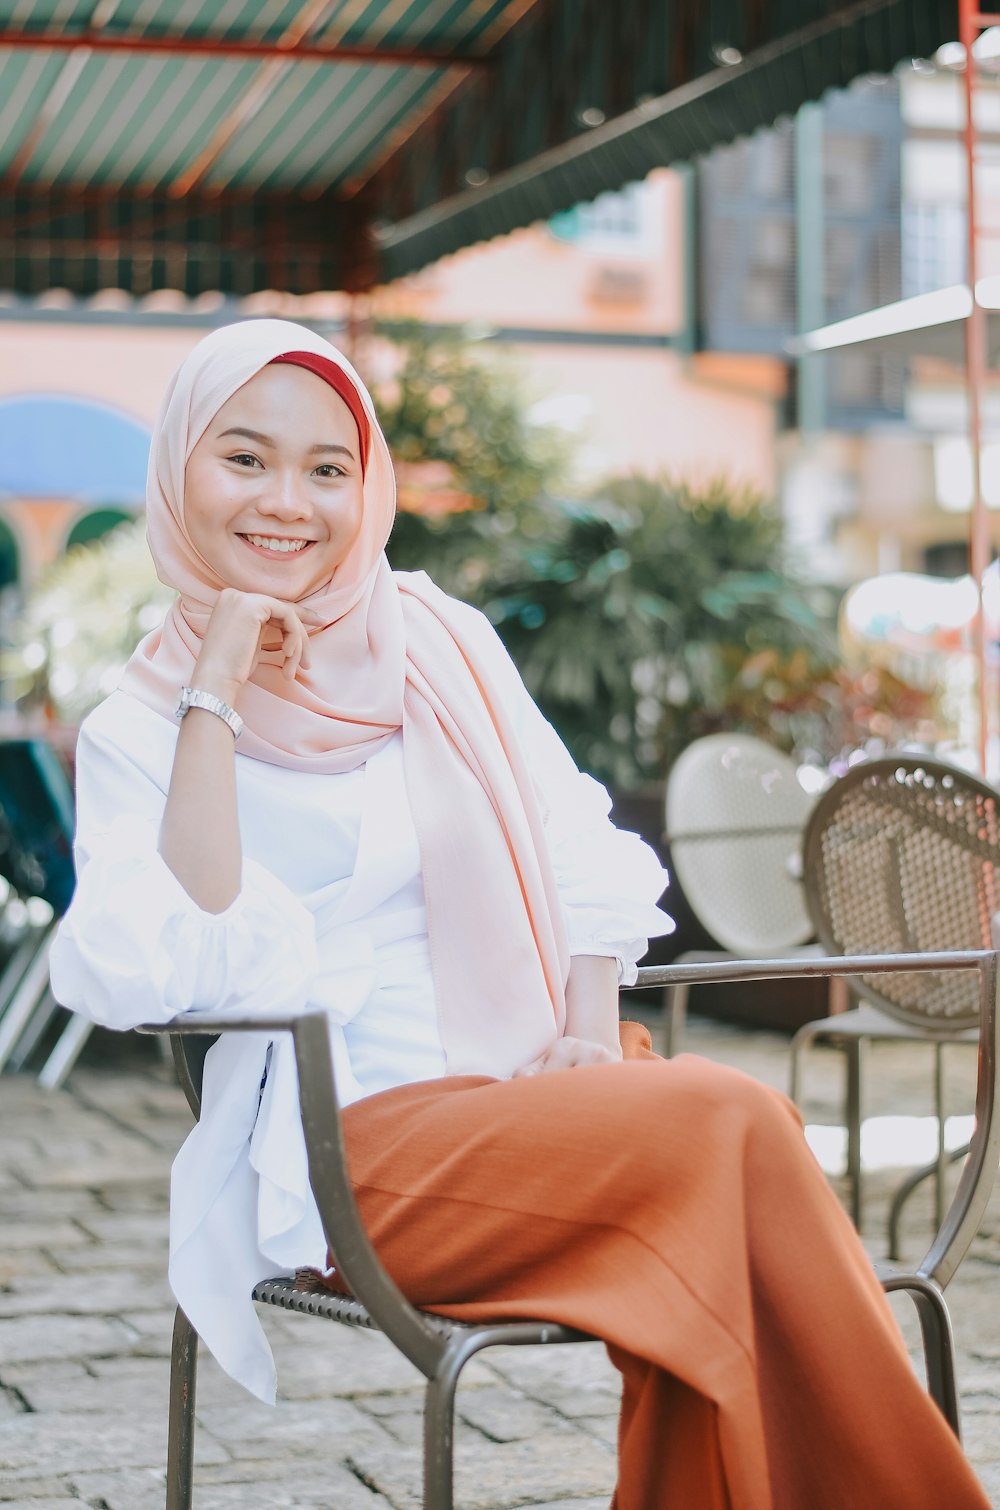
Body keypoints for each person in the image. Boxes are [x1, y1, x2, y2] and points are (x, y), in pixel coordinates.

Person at [50, 319, 990, 1510]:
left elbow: (575, 846)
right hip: (360, 1156)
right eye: (244, 458)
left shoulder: (439, 640)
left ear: (366, 486)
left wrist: (586, 1035)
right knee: (730, 1119)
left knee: (725, 1176)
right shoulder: (135, 729)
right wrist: (214, 691)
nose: (287, 500)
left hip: (544, 1094)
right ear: (180, 467)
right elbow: (177, 960)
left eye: (327, 469)